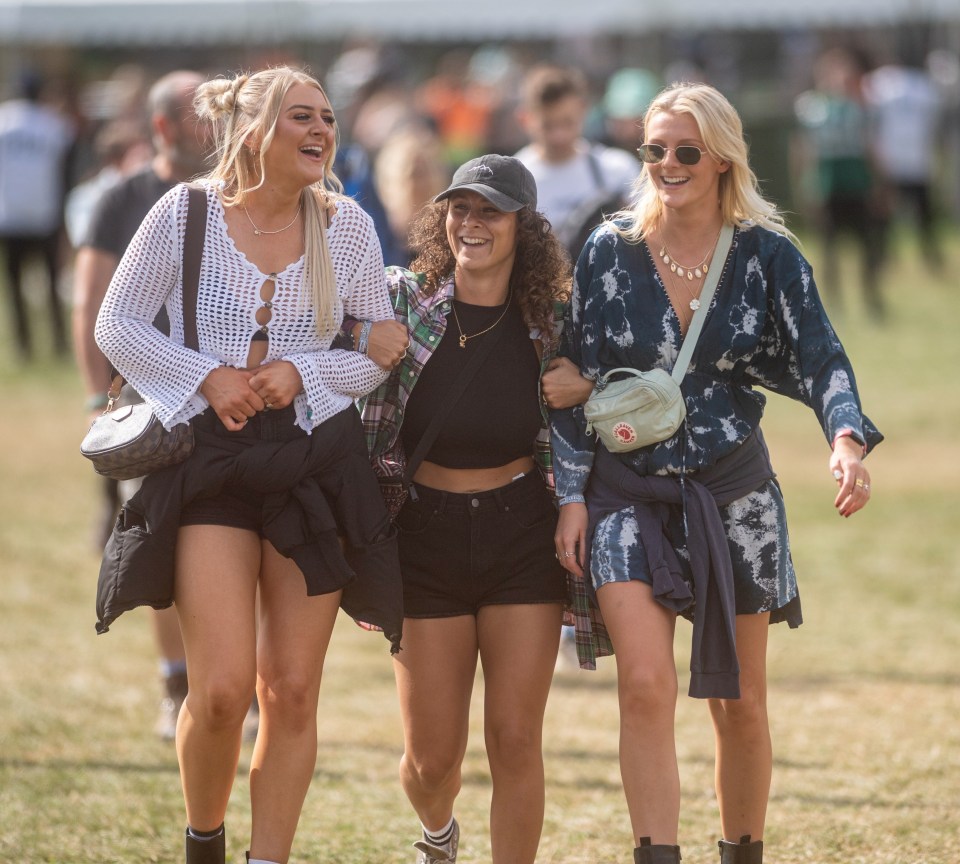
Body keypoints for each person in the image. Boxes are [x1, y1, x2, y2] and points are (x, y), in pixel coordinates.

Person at [550, 82, 882, 864]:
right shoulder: (608, 249)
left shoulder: (768, 254)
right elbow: (566, 380)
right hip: (624, 494)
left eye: (686, 151)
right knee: (644, 686)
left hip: (734, 495)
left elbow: (821, 355)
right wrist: (570, 496)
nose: (668, 164)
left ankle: (742, 851)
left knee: (740, 704)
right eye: (655, 149)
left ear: (724, 158)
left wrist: (846, 439)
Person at [93, 65, 403, 864]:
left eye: (328, 118)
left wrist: (305, 370)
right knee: (224, 690)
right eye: (302, 116)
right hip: (212, 463)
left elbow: (380, 346)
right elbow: (117, 325)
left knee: (291, 692)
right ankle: (204, 842)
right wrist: (206, 375)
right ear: (254, 130)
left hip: (312, 462)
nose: (321, 132)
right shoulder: (184, 213)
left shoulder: (348, 226)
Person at [359, 154, 572, 864]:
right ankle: (439, 835)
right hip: (424, 534)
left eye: (490, 211)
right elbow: (318, 318)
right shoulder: (400, 301)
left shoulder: (553, 322)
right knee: (430, 762)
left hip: (521, 534)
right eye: (459, 208)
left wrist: (589, 383)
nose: (470, 223)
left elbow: (616, 387)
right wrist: (361, 339)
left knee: (515, 739)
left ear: (524, 227)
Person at [71, 70, 217, 742]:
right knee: (158, 547)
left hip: (223, 402)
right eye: (197, 117)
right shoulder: (124, 199)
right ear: (162, 127)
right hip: (145, 399)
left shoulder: (231, 193)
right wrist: (96, 397)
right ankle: (175, 684)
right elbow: (91, 300)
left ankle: (223, 684)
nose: (212, 128)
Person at [792, 48, 885, 318]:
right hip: (828, 181)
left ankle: (871, 296)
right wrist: (805, 183)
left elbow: (870, 147)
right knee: (829, 246)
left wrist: (879, 183)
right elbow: (802, 148)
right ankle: (833, 302)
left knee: (868, 243)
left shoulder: (861, 108)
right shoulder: (811, 108)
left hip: (856, 180)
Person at [514, 64, 639, 261]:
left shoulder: (618, 170)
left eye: (567, 122)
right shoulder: (513, 180)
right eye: (548, 126)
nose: (559, 136)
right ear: (524, 119)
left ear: (584, 110)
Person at [0, 69, 76, 360]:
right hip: (44, 212)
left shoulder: (4, 120)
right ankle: (58, 342)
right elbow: (65, 171)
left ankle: (23, 346)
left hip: (8, 214)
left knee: (14, 285)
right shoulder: (53, 125)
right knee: (53, 283)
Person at [863, 57, 944, 273]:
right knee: (884, 216)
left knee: (924, 216)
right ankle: (884, 256)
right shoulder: (879, 84)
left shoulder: (921, 86)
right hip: (891, 163)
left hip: (915, 162)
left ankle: (931, 257)